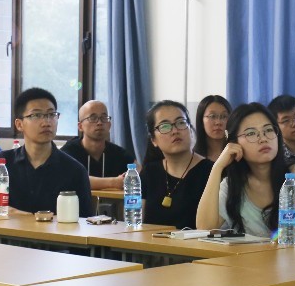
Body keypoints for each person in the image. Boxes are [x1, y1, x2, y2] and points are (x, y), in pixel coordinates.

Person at [197, 102, 295, 243]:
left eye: (268, 130)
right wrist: (217, 167)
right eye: (251, 133)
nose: (263, 138)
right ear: (234, 143)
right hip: (254, 261)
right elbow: (204, 228)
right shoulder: (232, 186)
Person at [0, 87, 93, 216]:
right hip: (7, 232)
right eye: (36, 115)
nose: (46, 122)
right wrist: (10, 211)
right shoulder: (1, 163)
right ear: (19, 124)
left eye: (51, 115)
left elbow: (86, 221)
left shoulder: (74, 170)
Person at [139, 100, 213, 229]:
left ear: (190, 130)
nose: (175, 131)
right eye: (165, 126)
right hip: (149, 241)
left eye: (181, 123)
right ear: (154, 140)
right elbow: (135, 222)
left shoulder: (211, 171)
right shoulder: (149, 172)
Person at [61, 99, 133, 190]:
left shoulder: (119, 153)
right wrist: (114, 182)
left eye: (104, 118)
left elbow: (138, 173)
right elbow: (72, 179)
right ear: (80, 126)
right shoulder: (68, 152)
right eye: (93, 118)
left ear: (109, 125)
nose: (99, 123)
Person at [193, 94, 231, 163]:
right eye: (212, 116)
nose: (218, 122)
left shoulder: (237, 154)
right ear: (201, 120)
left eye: (224, 116)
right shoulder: (192, 158)